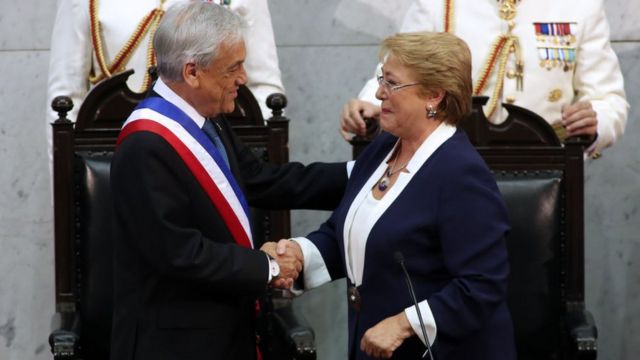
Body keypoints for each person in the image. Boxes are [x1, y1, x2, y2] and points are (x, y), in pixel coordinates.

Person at [109, 3, 347, 359]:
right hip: (175, 345)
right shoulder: (145, 143)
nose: (244, 78)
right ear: (192, 72)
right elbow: (180, 253)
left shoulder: (208, 117)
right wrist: (267, 267)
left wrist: (362, 175)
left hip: (228, 331)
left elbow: (263, 180)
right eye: (233, 67)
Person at [280, 31, 515, 359]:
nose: (378, 93)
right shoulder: (383, 148)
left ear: (433, 95)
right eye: (381, 79)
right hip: (372, 344)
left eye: (391, 83)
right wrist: (297, 255)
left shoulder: (461, 173)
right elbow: (345, 235)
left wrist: (407, 323)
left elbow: (483, 284)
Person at [340, 0, 629, 159]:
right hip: (445, 159)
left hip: (544, 165)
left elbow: (609, 100)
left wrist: (594, 124)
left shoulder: (580, 5)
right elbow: (397, 68)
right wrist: (369, 107)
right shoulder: (438, 4)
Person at [46, 0, 283, 160]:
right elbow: (64, 102)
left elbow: (265, 93)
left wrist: (242, 173)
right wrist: (67, 198)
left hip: (215, 159)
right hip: (121, 163)